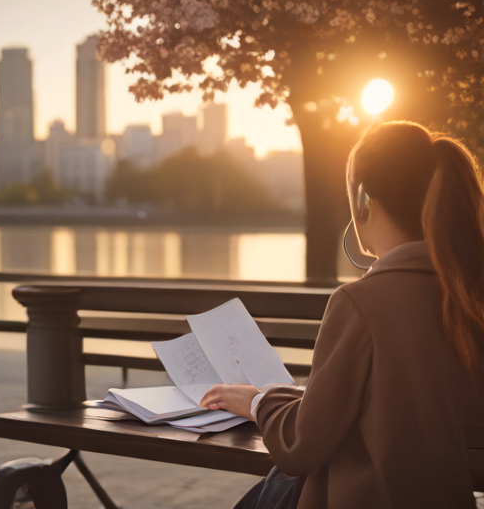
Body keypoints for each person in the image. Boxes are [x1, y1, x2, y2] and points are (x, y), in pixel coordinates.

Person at [200, 121, 484, 509]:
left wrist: (256, 402)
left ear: (363, 199)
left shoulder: (361, 302)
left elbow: (301, 448)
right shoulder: (469, 293)